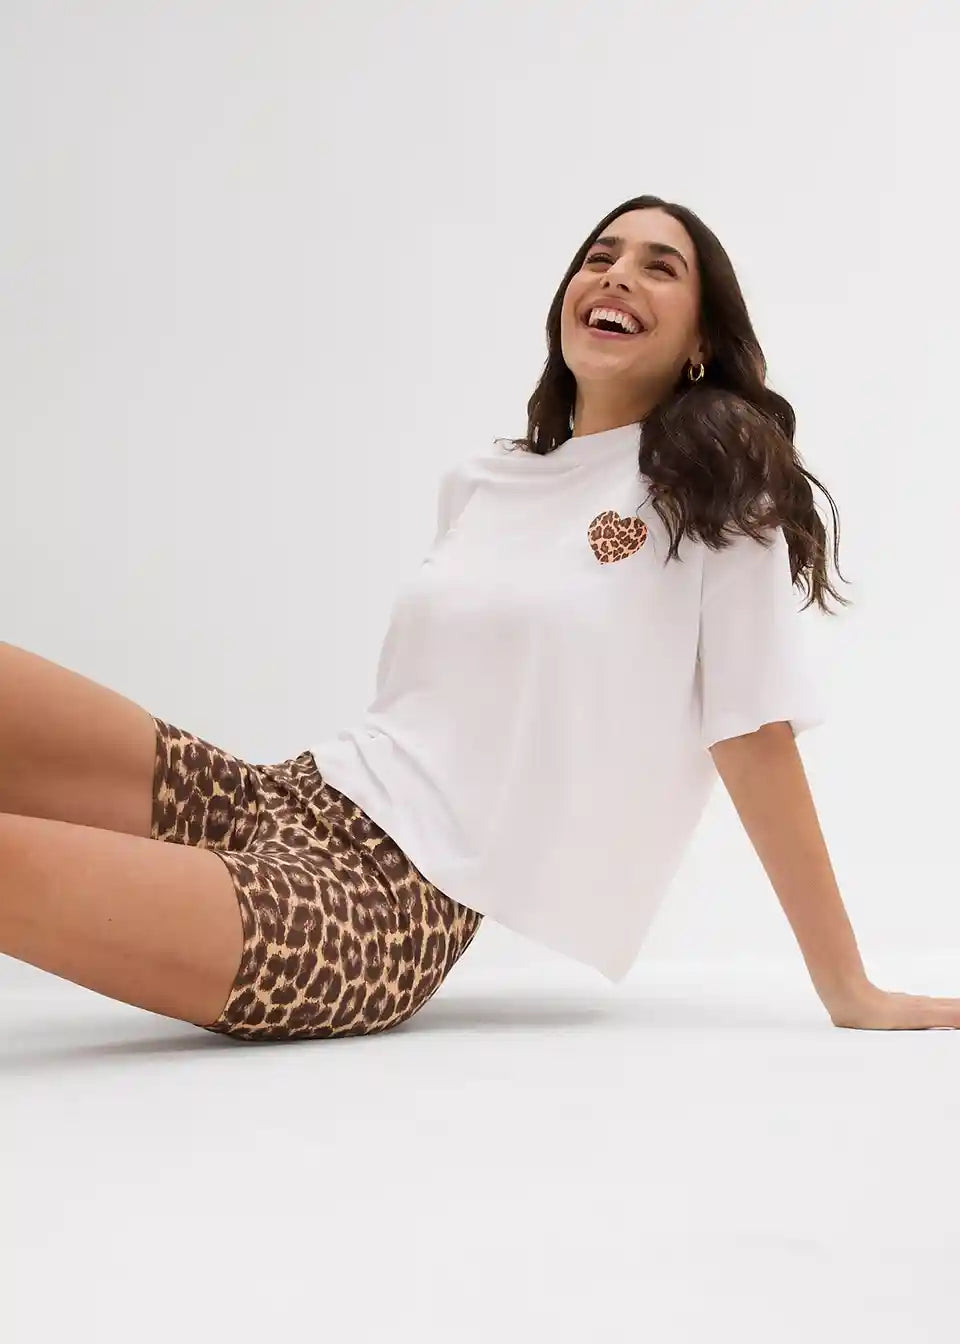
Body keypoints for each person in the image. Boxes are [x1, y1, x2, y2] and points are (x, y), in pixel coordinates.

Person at [4, 196, 957, 1040]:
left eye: (660, 267)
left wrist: (847, 986)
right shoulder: (484, 481)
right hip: (287, 799)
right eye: (600, 256)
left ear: (700, 339)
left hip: (375, 911)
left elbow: (752, 731)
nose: (617, 273)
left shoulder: (711, 501)